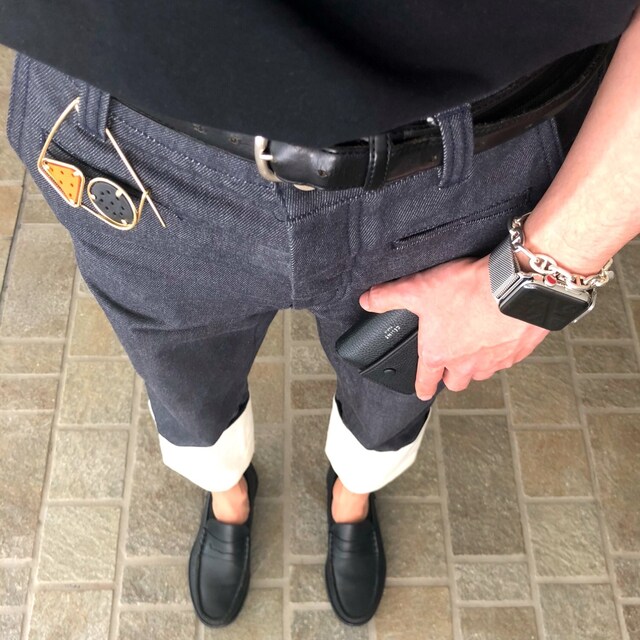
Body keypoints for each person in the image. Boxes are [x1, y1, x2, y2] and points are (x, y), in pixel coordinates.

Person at [2, 0, 639, 628]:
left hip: (466, 153)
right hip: (131, 144)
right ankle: (226, 492)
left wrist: (545, 270)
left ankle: (353, 492)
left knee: (397, 386)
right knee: (183, 383)